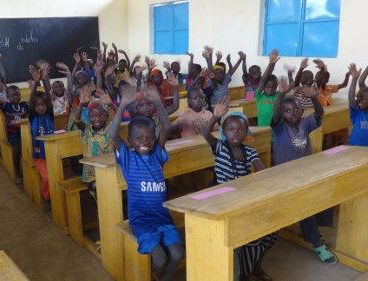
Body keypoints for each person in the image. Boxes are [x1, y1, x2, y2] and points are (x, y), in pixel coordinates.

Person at [110, 82, 184, 281]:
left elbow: (166, 127)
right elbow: (112, 134)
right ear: (131, 140)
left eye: (150, 138)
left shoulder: (158, 154)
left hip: (162, 216)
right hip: (141, 220)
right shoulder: (127, 157)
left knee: (177, 253)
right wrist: (123, 105)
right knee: (159, 258)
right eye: (139, 138)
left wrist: (157, 102)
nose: (146, 141)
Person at [200, 98, 275, 281]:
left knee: (272, 232)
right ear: (224, 132)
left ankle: (255, 266)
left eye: (241, 130)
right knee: (249, 234)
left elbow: (260, 169)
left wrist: (269, 178)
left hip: (241, 196)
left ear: (246, 132)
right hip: (223, 198)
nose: (236, 133)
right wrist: (215, 116)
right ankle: (245, 273)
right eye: (231, 129)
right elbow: (205, 133)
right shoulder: (219, 147)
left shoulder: (249, 151)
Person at [271, 76, 337, 265]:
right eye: (288, 111)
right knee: (305, 204)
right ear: (282, 114)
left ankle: (311, 231)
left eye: (296, 110)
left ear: (302, 111)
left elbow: (319, 114)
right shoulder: (280, 128)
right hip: (284, 176)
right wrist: (281, 95)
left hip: (305, 173)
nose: (293, 113)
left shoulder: (304, 124)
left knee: (327, 191)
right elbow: (275, 116)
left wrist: (315, 97)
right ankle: (317, 243)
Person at [73, 85, 116, 200]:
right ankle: (102, 210)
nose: (97, 119)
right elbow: (77, 120)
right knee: (97, 190)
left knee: (111, 191)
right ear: (89, 117)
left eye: (101, 115)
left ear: (107, 116)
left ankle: (109, 210)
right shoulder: (87, 129)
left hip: (108, 170)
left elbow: (119, 115)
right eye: (93, 116)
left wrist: (111, 104)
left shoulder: (110, 128)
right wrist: (81, 104)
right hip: (91, 174)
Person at [30, 90, 54, 205]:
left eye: (43, 104)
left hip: (52, 153)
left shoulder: (50, 115)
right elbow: (30, 104)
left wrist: (44, 79)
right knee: (47, 177)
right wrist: (35, 83)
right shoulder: (32, 118)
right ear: (34, 107)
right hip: (40, 156)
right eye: (37, 105)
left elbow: (49, 100)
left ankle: (54, 194)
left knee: (56, 176)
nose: (41, 108)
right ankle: (46, 197)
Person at [255, 49, 280, 126]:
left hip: (276, 127)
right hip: (262, 127)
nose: (270, 89)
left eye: (273, 87)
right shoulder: (259, 95)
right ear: (263, 87)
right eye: (268, 87)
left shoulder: (278, 95)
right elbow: (264, 79)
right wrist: (271, 64)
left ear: (276, 86)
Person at [347, 64, 368, 146]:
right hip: (354, 150)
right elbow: (351, 99)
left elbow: (361, 82)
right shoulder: (358, 112)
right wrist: (354, 79)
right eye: (358, 97)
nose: (359, 100)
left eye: (362, 98)